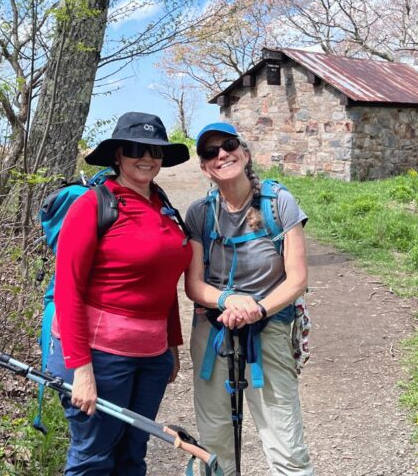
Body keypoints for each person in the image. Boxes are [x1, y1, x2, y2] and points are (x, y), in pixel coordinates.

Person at [47, 112, 192, 475]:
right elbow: (68, 290)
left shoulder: (162, 205)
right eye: (135, 150)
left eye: (155, 151)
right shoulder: (93, 206)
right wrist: (81, 370)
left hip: (151, 356)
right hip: (100, 356)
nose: (147, 158)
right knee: (94, 458)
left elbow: (163, 282)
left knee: (132, 455)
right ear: (117, 155)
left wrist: (171, 346)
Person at [184, 122, 314, 476]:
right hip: (213, 327)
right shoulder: (200, 213)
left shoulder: (278, 203)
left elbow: (297, 278)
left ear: (244, 152)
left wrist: (256, 308)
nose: (222, 154)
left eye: (228, 145)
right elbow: (194, 285)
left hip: (269, 324)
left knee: (285, 440)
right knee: (213, 441)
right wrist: (229, 300)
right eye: (211, 152)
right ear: (205, 167)